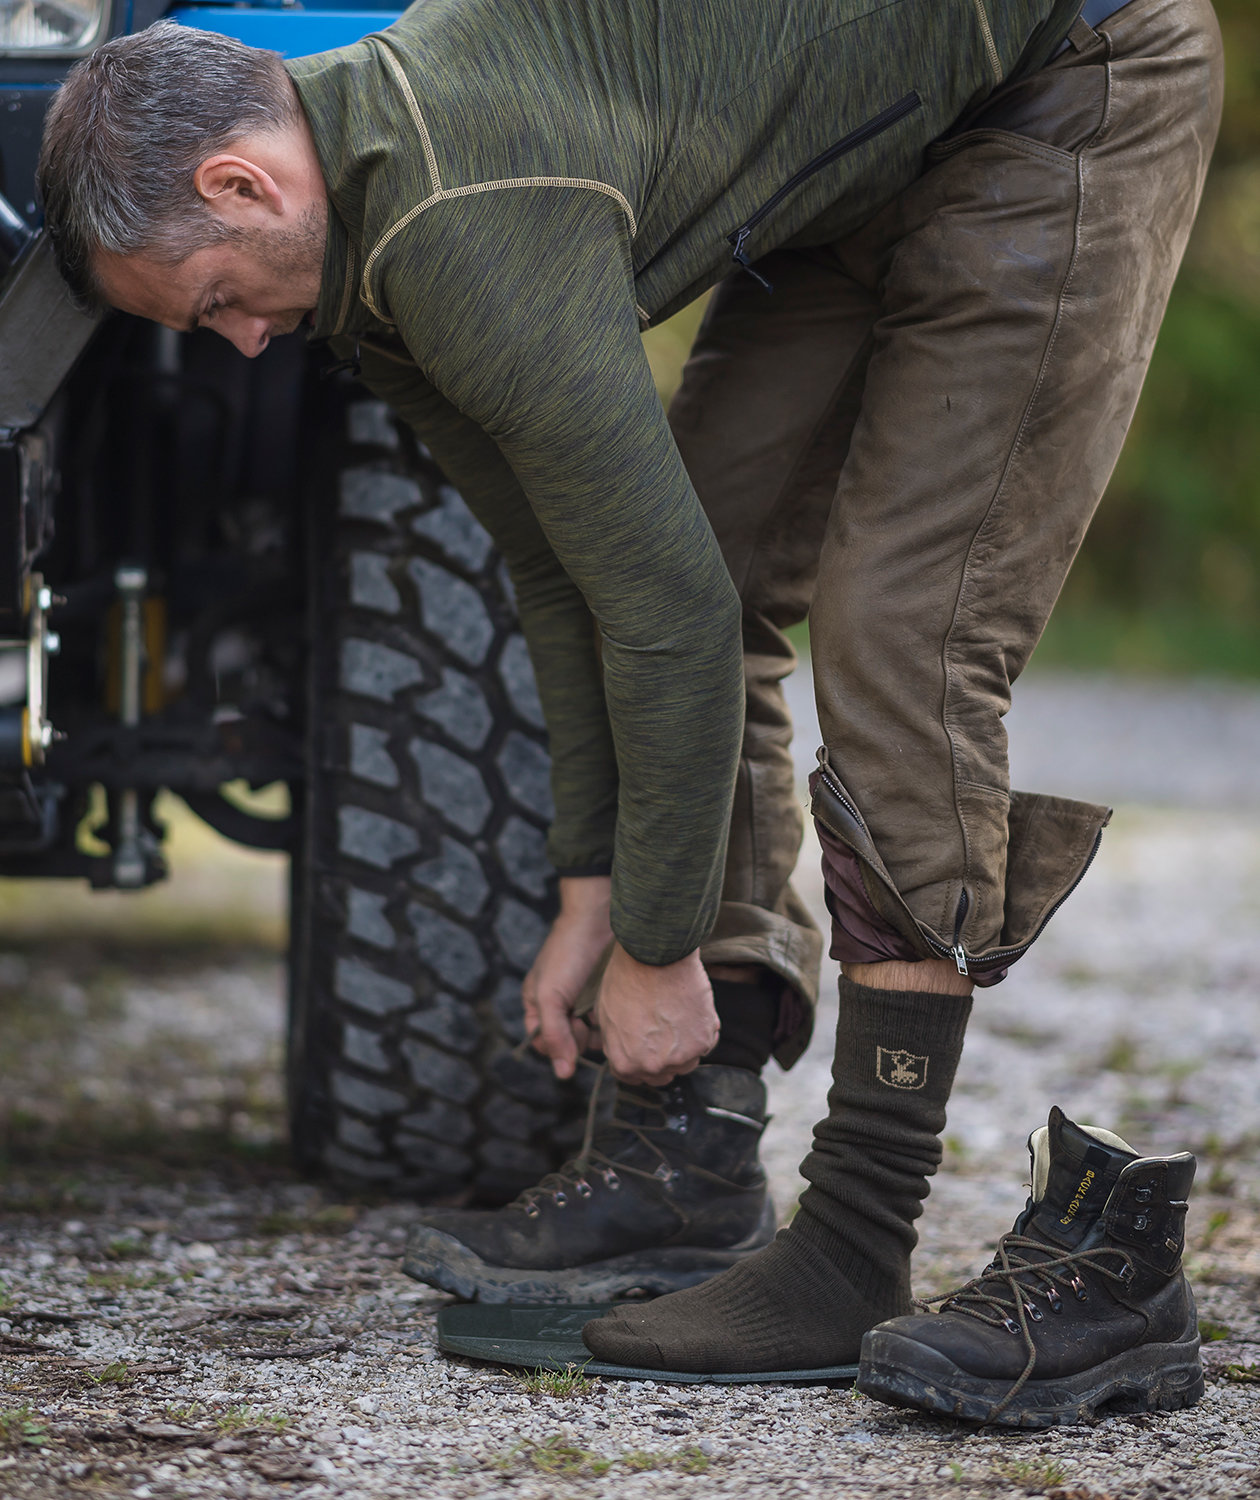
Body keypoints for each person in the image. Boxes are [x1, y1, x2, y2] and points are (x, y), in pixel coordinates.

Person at [37, 0, 1222, 1419]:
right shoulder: (360, 252)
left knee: (905, 631)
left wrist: (659, 952)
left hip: (1063, 70)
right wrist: (594, 890)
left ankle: (854, 1235)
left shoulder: (462, 218)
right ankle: (691, 1156)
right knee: (706, 555)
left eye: (217, 295)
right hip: (887, 140)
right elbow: (558, 572)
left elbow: (654, 624)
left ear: (242, 183)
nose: (237, 344)